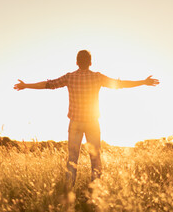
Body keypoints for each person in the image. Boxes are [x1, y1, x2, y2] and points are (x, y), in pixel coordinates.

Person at [14, 50, 159, 187]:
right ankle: (95, 192)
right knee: (95, 159)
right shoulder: (97, 77)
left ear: (77, 62)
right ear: (91, 62)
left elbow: (47, 85)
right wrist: (143, 82)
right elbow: (120, 84)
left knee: (72, 159)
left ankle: (69, 190)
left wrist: (26, 85)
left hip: (75, 123)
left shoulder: (70, 77)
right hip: (92, 123)